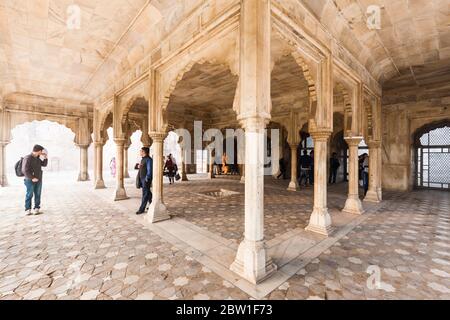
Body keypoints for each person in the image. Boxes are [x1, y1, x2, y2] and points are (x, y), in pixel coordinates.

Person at [22, 145, 48, 216]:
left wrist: (45, 158)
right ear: (39, 151)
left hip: (39, 179)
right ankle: (28, 209)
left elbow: (44, 164)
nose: (42, 152)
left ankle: (36, 208)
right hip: (30, 180)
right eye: (42, 151)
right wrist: (32, 178)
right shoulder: (27, 158)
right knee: (29, 194)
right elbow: (24, 170)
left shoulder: (38, 158)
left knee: (38, 194)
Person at [136, 147, 153, 215]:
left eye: (141, 151)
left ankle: (141, 209)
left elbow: (149, 170)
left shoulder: (148, 159)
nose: (140, 152)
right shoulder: (143, 159)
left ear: (144, 152)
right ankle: (152, 205)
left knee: (145, 194)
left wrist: (147, 178)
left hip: (145, 179)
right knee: (148, 192)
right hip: (142, 178)